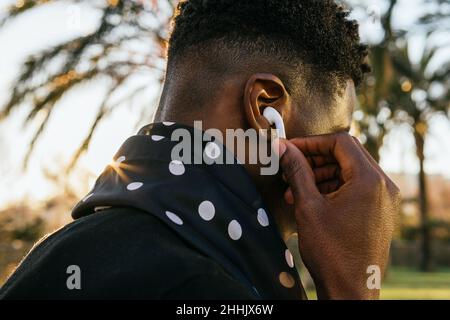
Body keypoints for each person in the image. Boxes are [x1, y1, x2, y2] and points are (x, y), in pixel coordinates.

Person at [0, 0, 400, 300]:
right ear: (266, 110)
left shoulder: (56, 252)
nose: (351, 157)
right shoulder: (202, 288)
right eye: (339, 133)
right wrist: (353, 288)